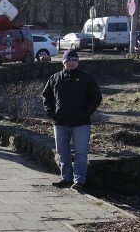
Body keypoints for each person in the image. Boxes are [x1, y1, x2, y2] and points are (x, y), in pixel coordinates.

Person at [41, 49, 102, 193]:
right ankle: (66, 177)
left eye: (74, 60)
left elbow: (96, 97)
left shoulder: (87, 78)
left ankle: (79, 180)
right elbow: (46, 96)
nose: (71, 62)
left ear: (78, 62)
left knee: (81, 152)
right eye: (68, 60)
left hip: (81, 123)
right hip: (60, 122)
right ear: (63, 63)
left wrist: (86, 113)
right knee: (62, 151)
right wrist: (52, 113)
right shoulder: (55, 78)